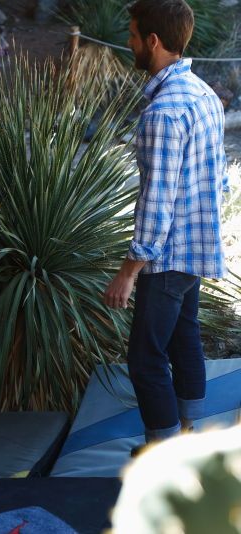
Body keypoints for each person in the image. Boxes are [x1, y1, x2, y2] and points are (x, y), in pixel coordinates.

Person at [103, 0, 228, 452]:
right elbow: (220, 180)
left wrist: (128, 271)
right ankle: (187, 434)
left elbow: (156, 201)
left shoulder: (163, 113)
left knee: (144, 358)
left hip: (166, 255)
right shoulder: (203, 94)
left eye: (133, 35)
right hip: (195, 245)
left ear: (153, 41)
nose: (129, 42)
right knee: (185, 335)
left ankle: (162, 457)